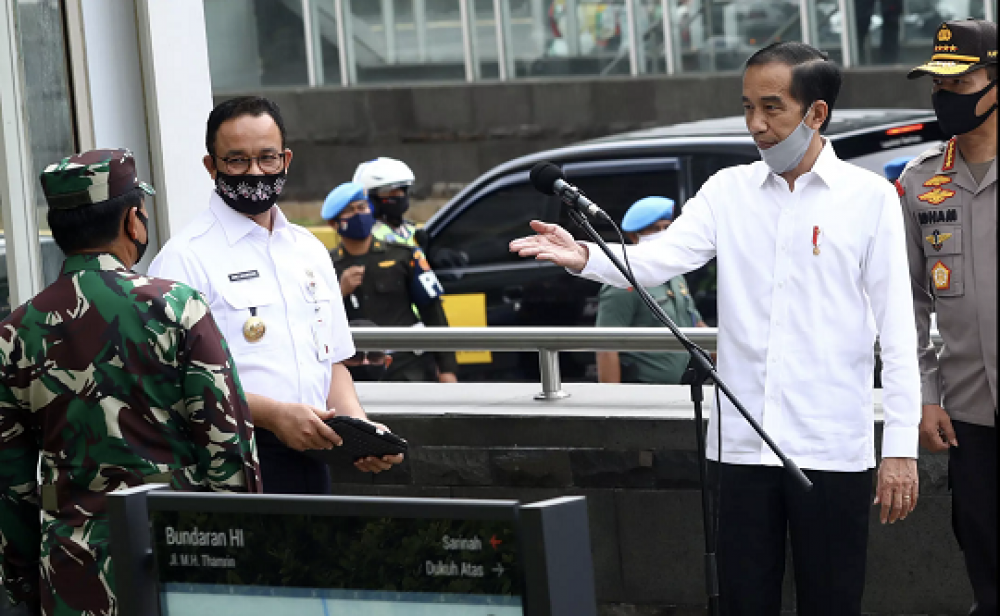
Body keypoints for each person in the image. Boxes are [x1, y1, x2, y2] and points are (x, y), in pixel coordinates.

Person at [511, 42, 921, 615]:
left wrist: (900, 446)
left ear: (817, 113)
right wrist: (582, 254)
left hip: (831, 448)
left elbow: (899, 333)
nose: (756, 124)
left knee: (832, 601)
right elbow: (654, 261)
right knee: (741, 601)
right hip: (740, 448)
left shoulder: (870, 198)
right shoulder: (726, 192)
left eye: (772, 107)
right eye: (747, 106)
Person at [0, 149, 261, 616]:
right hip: (181, 555)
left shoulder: (16, 331)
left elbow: (10, 483)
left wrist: (23, 584)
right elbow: (228, 444)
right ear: (133, 220)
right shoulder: (178, 308)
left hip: (72, 570)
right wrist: (242, 555)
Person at [148, 97, 403, 496]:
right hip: (228, 463)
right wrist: (274, 416)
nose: (255, 172)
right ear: (210, 166)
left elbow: (332, 362)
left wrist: (359, 427)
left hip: (316, 456)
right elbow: (171, 384)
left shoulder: (309, 250)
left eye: (267, 158)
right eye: (237, 161)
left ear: (286, 159)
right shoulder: (183, 259)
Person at [900, 19, 996, 615]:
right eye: (937, 84)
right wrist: (925, 396)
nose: (945, 97)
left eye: (959, 82)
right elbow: (907, 304)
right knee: (982, 553)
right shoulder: (918, 183)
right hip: (967, 414)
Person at [322, 182, 458, 383]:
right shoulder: (324, 265)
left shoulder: (404, 255)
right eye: (350, 211)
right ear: (334, 224)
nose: (359, 214)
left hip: (406, 364)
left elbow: (434, 312)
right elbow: (313, 319)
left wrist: (447, 369)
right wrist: (340, 292)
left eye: (362, 207)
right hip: (353, 369)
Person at [596, 196, 707, 384]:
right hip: (646, 391)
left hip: (687, 387)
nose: (663, 233)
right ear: (634, 236)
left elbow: (695, 324)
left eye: (667, 227)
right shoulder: (623, 283)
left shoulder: (675, 272)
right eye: (656, 229)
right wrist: (611, 404)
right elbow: (606, 346)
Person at [352, 157, 419, 246]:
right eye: (390, 191)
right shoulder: (366, 236)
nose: (399, 195)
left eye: (402, 190)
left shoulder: (411, 230)